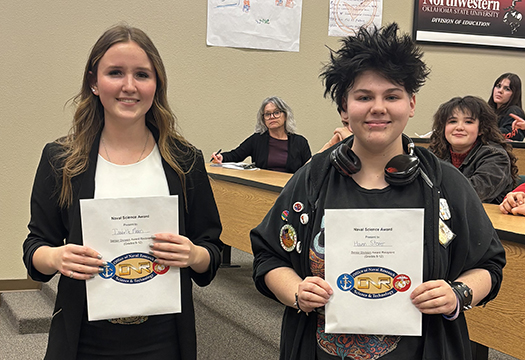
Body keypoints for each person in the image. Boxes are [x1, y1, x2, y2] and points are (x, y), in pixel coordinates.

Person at [250, 23, 505, 360]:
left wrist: (458, 293)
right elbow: (269, 257)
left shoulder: (444, 182)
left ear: (411, 103)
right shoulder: (313, 178)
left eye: (392, 96)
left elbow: (489, 265)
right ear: (344, 108)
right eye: (364, 96)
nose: (378, 107)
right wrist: (296, 291)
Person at [22, 24, 223, 360]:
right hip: (83, 339)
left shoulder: (185, 161)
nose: (129, 86)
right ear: (93, 82)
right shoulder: (60, 160)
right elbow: (34, 251)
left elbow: (211, 251)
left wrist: (193, 255)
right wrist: (57, 257)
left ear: (156, 84)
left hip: (163, 339)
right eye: (115, 72)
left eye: (142, 75)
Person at [429, 95, 518, 204]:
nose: (459, 127)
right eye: (452, 121)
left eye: (468, 122)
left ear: (481, 129)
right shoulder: (434, 153)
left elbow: (471, 194)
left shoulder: (496, 156)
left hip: (488, 219)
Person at [211, 96, 311, 173]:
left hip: (290, 191)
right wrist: (221, 157)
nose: (272, 117)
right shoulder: (257, 139)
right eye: (267, 114)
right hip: (263, 189)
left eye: (276, 112)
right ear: (263, 119)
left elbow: (309, 169)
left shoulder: (300, 142)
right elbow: (236, 155)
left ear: (285, 116)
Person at [487, 72, 525, 141]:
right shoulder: (487, 110)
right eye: (498, 86)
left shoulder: (514, 111)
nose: (500, 91)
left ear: (514, 94)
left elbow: (511, 133)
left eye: (507, 89)